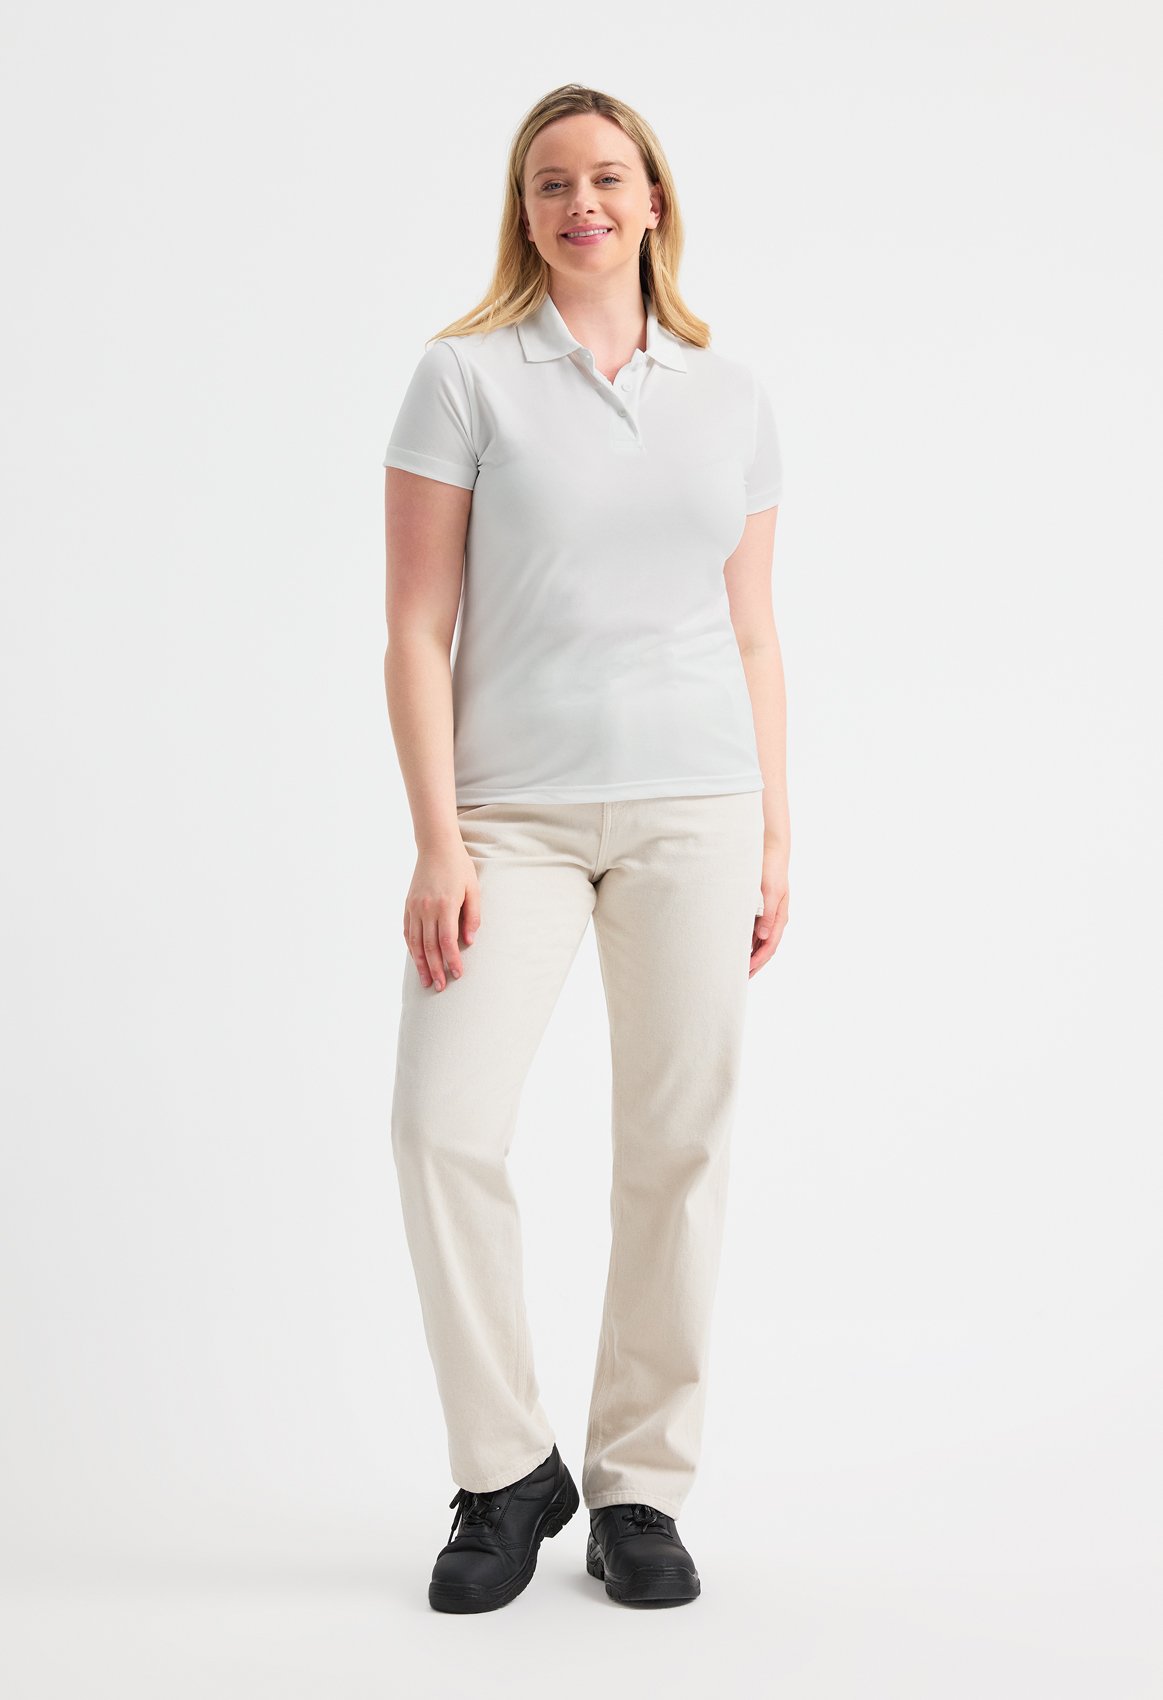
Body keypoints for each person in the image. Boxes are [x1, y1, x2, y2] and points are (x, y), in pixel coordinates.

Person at [382, 82, 790, 1614]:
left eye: (608, 177)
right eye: (551, 182)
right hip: (511, 819)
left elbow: (752, 633)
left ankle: (639, 1488)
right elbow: (415, 630)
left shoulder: (728, 394)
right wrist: (439, 842)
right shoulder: (464, 377)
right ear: (525, 209)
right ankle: (507, 1470)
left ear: (653, 198)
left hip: (698, 806)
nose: (582, 204)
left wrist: (776, 831)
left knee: (678, 1144)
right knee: (441, 1126)